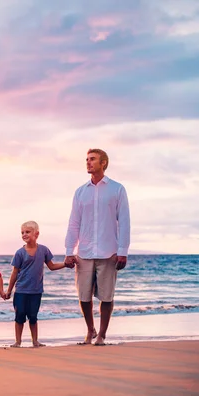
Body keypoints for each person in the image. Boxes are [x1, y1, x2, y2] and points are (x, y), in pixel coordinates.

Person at [64, 148, 130, 346]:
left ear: (103, 163)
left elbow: (125, 221)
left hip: (109, 252)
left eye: (92, 159)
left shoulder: (117, 189)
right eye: (86, 159)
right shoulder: (80, 192)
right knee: (83, 296)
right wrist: (69, 251)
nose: (88, 162)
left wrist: (123, 251)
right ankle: (90, 330)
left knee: (106, 297)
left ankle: (101, 334)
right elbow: (73, 222)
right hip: (83, 252)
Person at [5, 221, 71, 348]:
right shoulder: (19, 253)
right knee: (19, 317)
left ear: (37, 234)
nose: (24, 234)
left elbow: (51, 266)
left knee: (33, 317)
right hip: (21, 291)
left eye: (27, 232)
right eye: (22, 232)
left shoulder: (44, 250)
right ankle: (18, 342)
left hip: (36, 291)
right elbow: (14, 273)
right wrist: (9, 290)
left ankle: (35, 341)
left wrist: (65, 264)